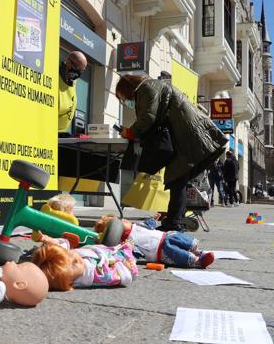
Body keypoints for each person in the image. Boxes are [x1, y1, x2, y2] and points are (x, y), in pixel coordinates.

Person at [115, 75, 227, 231]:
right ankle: (175, 220)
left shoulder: (146, 88)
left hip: (185, 134)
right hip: (185, 133)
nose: (126, 100)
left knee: (177, 178)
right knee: (178, 179)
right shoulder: (151, 86)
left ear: (127, 88)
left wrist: (130, 132)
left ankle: (174, 222)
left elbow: (148, 116)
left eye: (123, 96)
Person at [94, 215, 214, 269]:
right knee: (176, 253)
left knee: (175, 237)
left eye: (123, 219)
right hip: (160, 250)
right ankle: (197, 261)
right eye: (121, 223)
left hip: (164, 236)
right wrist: (129, 260)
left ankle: (197, 251)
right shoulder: (127, 242)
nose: (124, 220)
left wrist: (154, 219)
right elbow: (132, 254)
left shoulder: (137, 226)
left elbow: (148, 226)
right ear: (115, 233)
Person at [32, 233, 138, 291]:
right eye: (74, 265)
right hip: (114, 262)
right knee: (125, 253)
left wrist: (52, 242)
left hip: (100, 253)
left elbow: (65, 249)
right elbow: (114, 277)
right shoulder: (93, 275)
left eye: (70, 256)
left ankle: (124, 247)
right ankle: (129, 249)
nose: (76, 260)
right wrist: (126, 268)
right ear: (69, 282)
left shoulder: (68, 260)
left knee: (113, 248)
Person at [58, 51, 87, 132]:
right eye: (77, 68)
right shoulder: (55, 76)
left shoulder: (74, 81)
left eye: (82, 70)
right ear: (68, 62)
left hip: (62, 135)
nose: (78, 73)